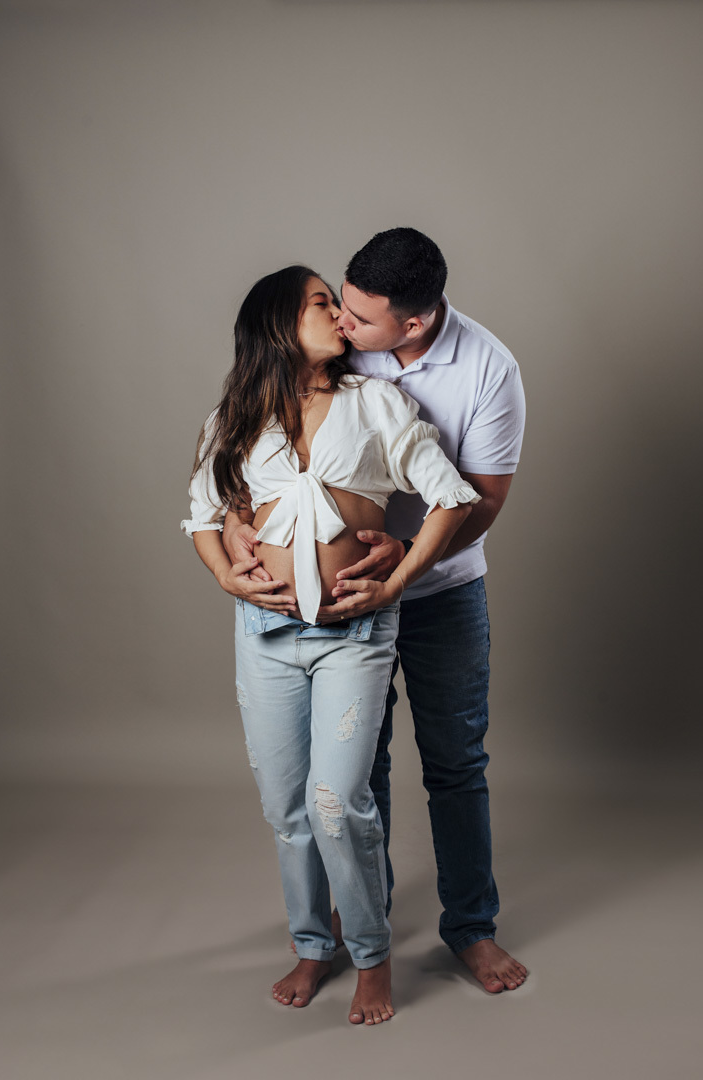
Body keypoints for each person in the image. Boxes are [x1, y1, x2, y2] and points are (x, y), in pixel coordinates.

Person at [225, 230, 528, 994]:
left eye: (361, 317)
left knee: (456, 763)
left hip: (443, 589)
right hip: (338, 616)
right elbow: (253, 451)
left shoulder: (489, 369)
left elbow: (485, 498)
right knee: (359, 773)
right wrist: (238, 537)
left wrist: (403, 565)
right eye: (339, 305)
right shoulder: (337, 351)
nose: (345, 322)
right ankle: (367, 922)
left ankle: (472, 927)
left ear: (414, 323)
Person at [182, 265, 478, 1024]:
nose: (339, 317)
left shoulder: (374, 401)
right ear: (278, 323)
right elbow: (204, 515)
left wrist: (397, 580)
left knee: (336, 803)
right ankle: (314, 946)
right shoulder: (233, 418)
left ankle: (372, 955)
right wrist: (226, 575)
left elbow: (450, 496)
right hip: (266, 635)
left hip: (355, 634)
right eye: (322, 304)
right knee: (288, 809)